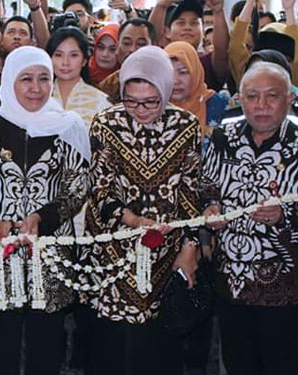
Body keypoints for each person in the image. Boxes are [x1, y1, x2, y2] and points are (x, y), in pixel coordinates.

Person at [0, 46, 90, 375]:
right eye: (26, 79)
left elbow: (77, 185)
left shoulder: (67, 125)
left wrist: (42, 218)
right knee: (1, 341)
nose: (36, 88)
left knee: (47, 341)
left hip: (51, 250)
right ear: (9, 82)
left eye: (44, 79)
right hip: (0, 249)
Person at [81, 46, 200, 375]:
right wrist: (131, 218)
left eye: (151, 101)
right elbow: (99, 188)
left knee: (159, 345)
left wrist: (190, 246)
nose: (141, 109)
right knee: (116, 345)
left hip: (167, 252)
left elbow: (192, 193)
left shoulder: (185, 126)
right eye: (131, 100)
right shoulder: (106, 123)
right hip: (115, 252)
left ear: (164, 90)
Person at [201, 61, 298, 375]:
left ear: (290, 99)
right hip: (230, 281)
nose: (261, 105)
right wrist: (210, 210)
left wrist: (284, 214)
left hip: (285, 286)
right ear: (239, 99)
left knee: (283, 364)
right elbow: (206, 189)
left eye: (271, 96)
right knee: (237, 364)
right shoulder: (224, 137)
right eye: (252, 96)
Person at [229, 0, 298, 90]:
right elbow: (235, 47)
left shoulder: (297, 81)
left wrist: (289, 10)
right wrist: (250, 2)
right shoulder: (249, 75)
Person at [48, 26, 110, 130]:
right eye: (58, 55)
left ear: (85, 60)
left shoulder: (101, 102)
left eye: (73, 55)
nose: (65, 62)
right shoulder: (38, 97)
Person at [164, 41, 228, 141]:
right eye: (169, 73)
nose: (176, 81)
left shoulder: (219, 105)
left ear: (196, 73)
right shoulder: (153, 109)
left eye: (183, 72)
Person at [97, 18, 155, 101]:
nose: (132, 49)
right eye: (126, 43)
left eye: (141, 44)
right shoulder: (107, 87)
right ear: (117, 47)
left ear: (154, 47)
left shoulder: (164, 83)